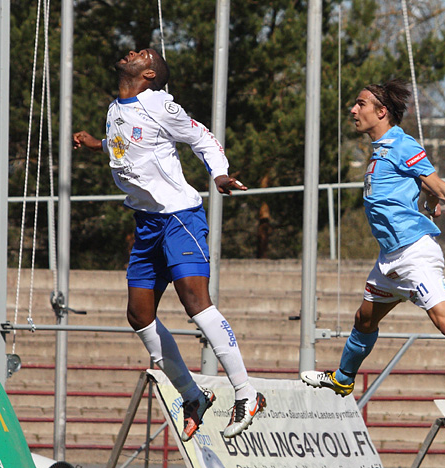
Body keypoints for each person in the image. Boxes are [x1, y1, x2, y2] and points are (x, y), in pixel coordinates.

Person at [301, 78, 445, 422]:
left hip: (414, 254)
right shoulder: (381, 149)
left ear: (382, 112)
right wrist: (429, 199)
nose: (353, 110)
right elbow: (425, 185)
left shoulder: (401, 144)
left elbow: (442, 185)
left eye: (360, 104)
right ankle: (344, 379)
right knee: (364, 319)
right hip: (389, 259)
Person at [72, 49, 266, 440]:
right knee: (138, 315)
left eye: (142, 54)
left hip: (179, 217)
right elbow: (122, 148)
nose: (131, 51)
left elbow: (201, 137)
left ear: (148, 73)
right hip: (146, 224)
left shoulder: (161, 104)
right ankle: (193, 396)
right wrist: (97, 145)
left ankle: (247, 393)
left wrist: (220, 174)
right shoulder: (114, 108)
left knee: (195, 301)